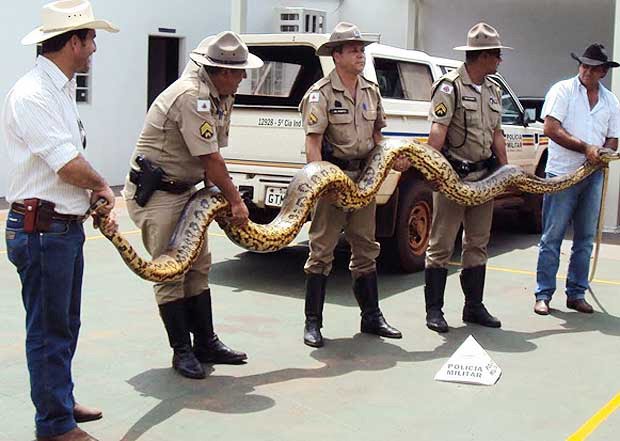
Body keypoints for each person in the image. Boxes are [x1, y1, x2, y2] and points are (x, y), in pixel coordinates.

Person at [2, 1, 118, 440]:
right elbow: (66, 164)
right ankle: (54, 426)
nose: (94, 49)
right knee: (49, 330)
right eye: (91, 40)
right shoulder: (33, 94)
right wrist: (102, 185)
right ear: (73, 42)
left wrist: (91, 196)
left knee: (65, 325)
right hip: (42, 230)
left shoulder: (60, 90)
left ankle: (60, 402)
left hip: (60, 228)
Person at [122, 32, 263, 379]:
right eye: (239, 72)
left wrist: (215, 196)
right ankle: (181, 351)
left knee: (199, 266)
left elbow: (211, 155)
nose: (243, 79)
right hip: (159, 194)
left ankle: (206, 342)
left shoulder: (220, 95)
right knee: (172, 271)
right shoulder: (191, 96)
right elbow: (211, 159)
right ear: (222, 72)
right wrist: (235, 202)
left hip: (187, 190)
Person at [299, 22, 409, 348]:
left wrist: (393, 158)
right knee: (321, 251)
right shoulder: (320, 94)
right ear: (337, 56)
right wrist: (322, 183)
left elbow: (377, 137)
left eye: (362, 49)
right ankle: (313, 323)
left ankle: (371, 316)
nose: (360, 55)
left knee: (366, 248)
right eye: (353, 50)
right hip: (333, 178)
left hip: (365, 179)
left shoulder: (371, 91)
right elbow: (313, 144)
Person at [424, 22, 509, 333]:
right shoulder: (450, 87)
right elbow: (437, 133)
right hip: (453, 177)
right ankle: (434, 311)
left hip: (484, 176)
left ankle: (474, 306)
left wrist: (505, 171)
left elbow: (497, 134)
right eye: (496, 54)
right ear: (482, 56)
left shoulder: (494, 89)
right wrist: (432, 172)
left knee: (478, 243)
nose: (500, 60)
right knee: (441, 244)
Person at [533, 43, 620, 315]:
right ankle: (543, 294)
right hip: (561, 174)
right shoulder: (562, 91)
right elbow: (551, 128)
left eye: (593, 68)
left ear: (603, 72)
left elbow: (613, 138)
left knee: (585, 238)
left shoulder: (610, 101)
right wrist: (586, 148)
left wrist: (603, 152)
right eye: (584, 66)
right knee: (552, 235)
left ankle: (576, 293)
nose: (586, 72)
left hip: (593, 176)